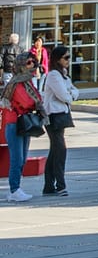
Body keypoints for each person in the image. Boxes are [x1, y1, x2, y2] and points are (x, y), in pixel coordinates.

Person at [3, 53, 45, 203]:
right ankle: (14, 190)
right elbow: (27, 102)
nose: (32, 65)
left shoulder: (27, 82)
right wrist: (36, 102)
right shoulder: (17, 83)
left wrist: (36, 101)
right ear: (21, 65)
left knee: (22, 159)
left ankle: (17, 188)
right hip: (14, 123)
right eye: (29, 63)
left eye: (33, 62)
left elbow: (37, 98)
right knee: (17, 158)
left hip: (23, 123)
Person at [41, 43, 77, 197]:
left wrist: (70, 95)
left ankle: (49, 186)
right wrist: (70, 96)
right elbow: (64, 95)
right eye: (66, 57)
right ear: (57, 59)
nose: (69, 60)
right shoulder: (54, 76)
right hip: (53, 116)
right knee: (60, 150)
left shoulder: (63, 74)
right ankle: (61, 185)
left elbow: (74, 91)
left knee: (55, 151)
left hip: (60, 115)